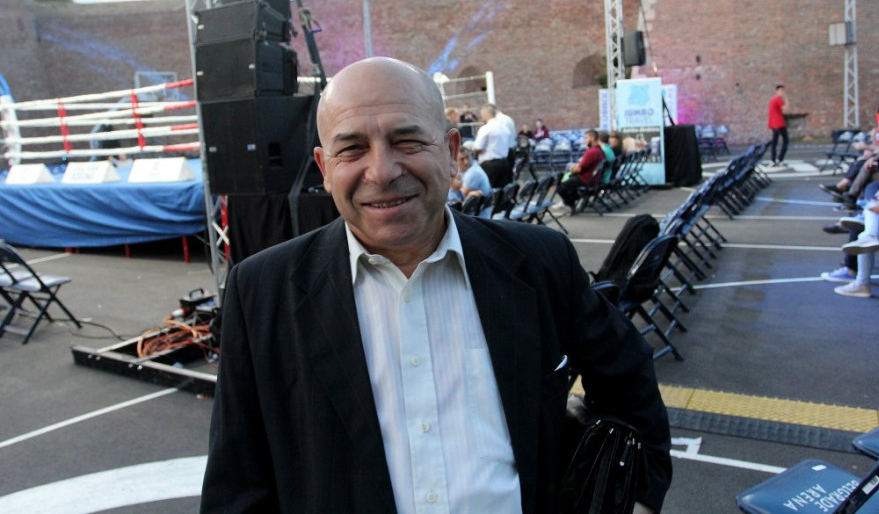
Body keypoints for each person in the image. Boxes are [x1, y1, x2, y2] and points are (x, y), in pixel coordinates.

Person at [201, 57, 672, 514]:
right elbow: (237, 482)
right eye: (352, 149)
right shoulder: (261, 292)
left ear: (450, 153)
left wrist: (638, 497)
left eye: (406, 141)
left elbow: (627, 378)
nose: (382, 171)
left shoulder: (539, 261)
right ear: (324, 169)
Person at [554, 129, 607, 214]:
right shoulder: (600, 151)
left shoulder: (591, 152)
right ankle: (576, 200)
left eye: (586, 138)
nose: (584, 140)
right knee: (570, 179)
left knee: (560, 187)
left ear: (592, 138)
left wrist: (572, 169)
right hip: (593, 179)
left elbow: (578, 169)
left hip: (586, 179)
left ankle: (570, 204)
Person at [473, 103, 515, 187]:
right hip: (504, 162)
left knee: (489, 188)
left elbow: (478, 148)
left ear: (485, 115)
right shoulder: (504, 128)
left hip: (490, 164)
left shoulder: (486, 128)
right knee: (502, 189)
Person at [767, 84, 789, 166]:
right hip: (779, 123)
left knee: (774, 142)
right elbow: (785, 108)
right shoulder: (778, 99)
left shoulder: (773, 99)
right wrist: (786, 98)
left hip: (774, 124)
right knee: (786, 141)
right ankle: (780, 159)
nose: (782, 92)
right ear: (777, 91)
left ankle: (773, 160)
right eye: (781, 91)